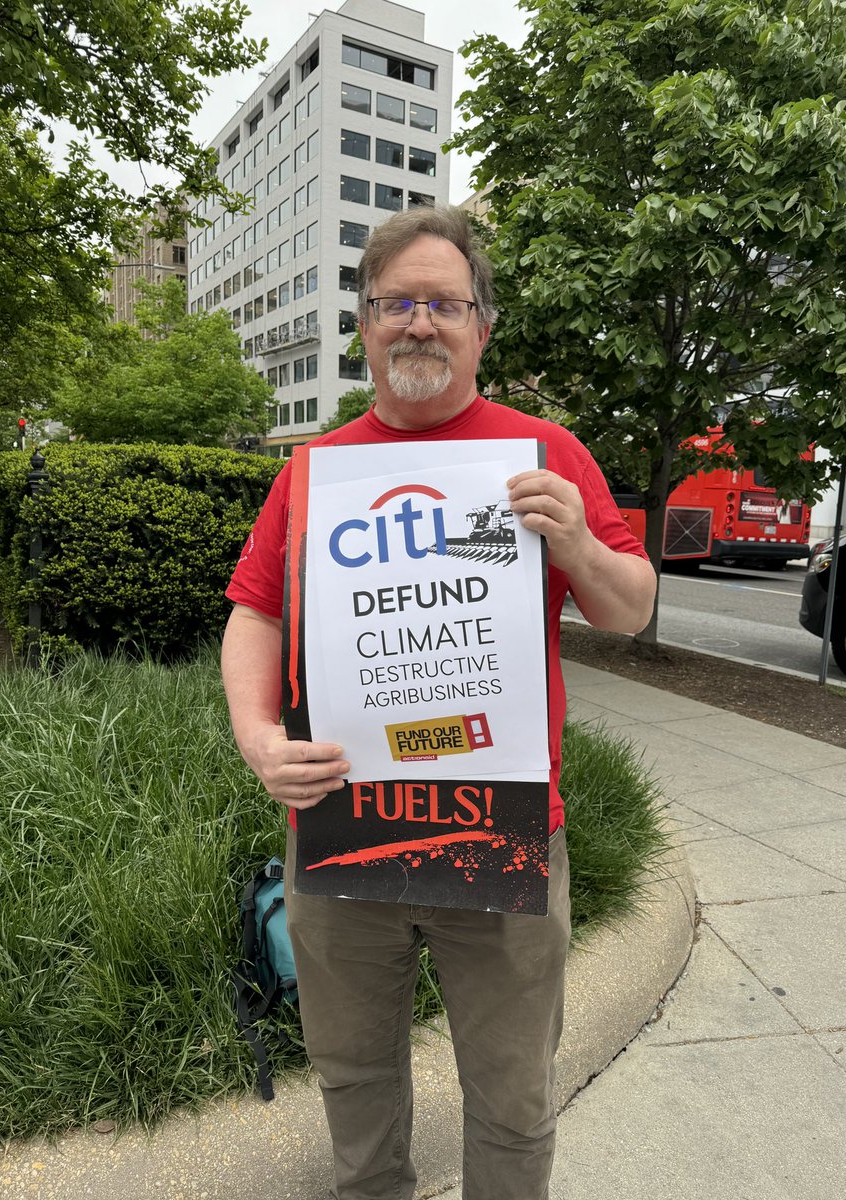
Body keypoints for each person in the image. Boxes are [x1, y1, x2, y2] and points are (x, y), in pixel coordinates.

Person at [221, 205, 656, 1200]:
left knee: (511, 1098)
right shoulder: (314, 473)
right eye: (397, 304)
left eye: (445, 304)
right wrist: (256, 737)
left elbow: (629, 609)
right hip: (344, 831)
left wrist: (579, 546)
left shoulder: (544, 453)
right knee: (355, 1082)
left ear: (481, 327)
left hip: (499, 837)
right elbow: (254, 615)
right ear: (366, 325)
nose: (421, 323)